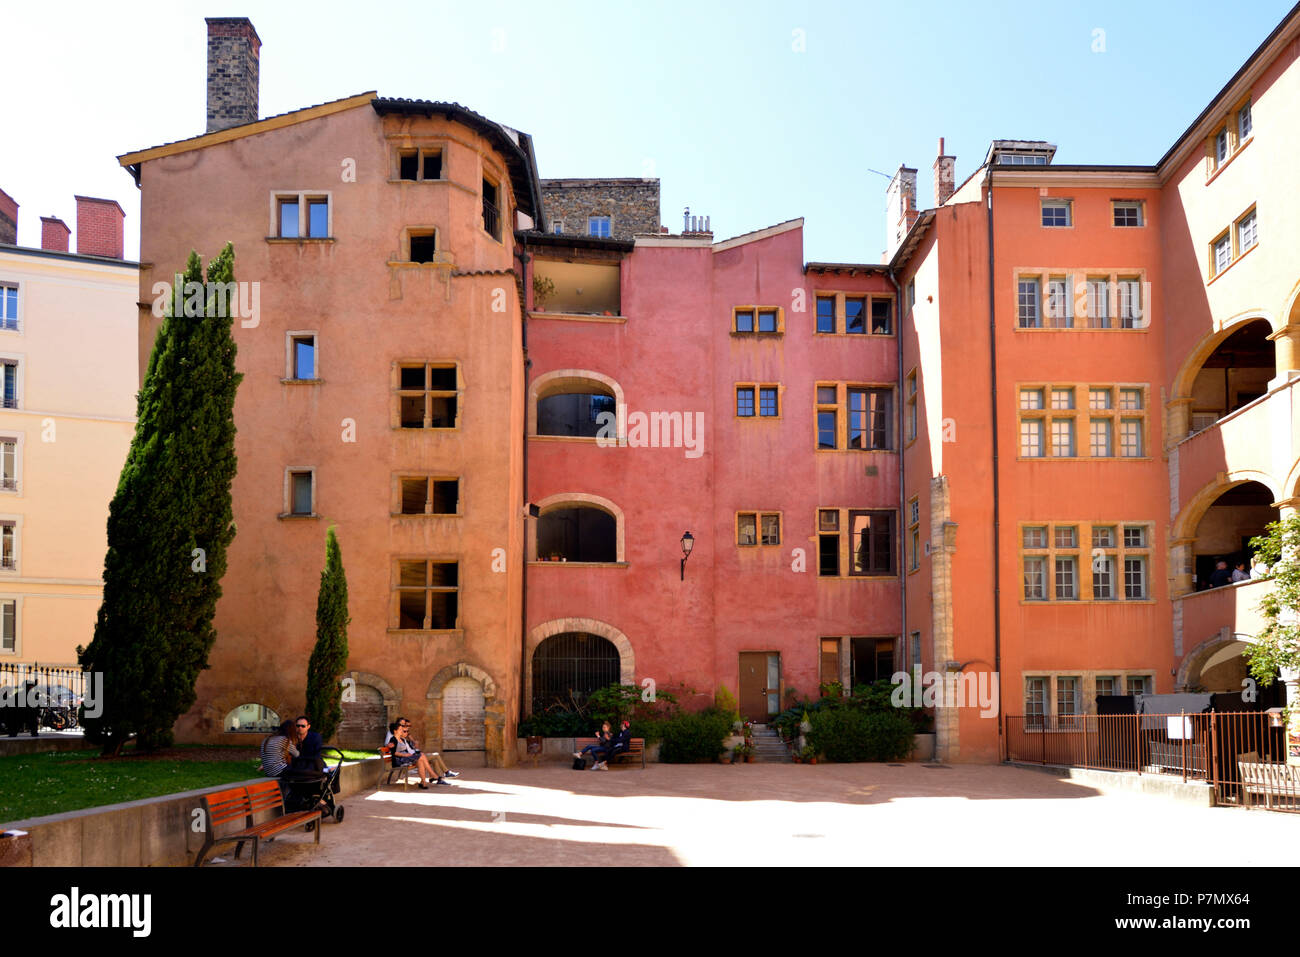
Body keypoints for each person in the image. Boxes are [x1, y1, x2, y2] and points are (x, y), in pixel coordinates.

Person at [384, 716, 459, 779]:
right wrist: (390, 745)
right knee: (435, 755)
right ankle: (444, 774)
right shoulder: (394, 734)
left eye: (405, 725)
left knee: (434, 759)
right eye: (403, 724)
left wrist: (414, 744)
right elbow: (390, 744)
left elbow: (409, 745)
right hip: (407, 758)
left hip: (411, 755)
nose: (405, 726)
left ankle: (439, 778)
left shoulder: (403, 734)